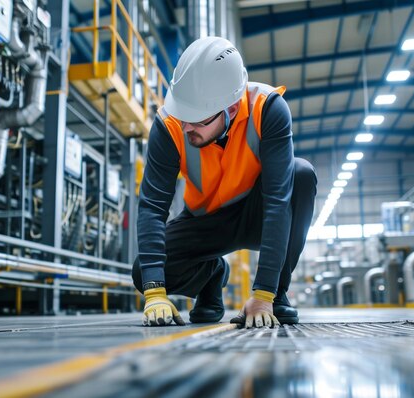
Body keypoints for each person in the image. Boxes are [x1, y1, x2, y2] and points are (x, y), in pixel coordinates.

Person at [133, 36, 317, 328]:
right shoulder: (169, 124)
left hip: (258, 211)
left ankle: (279, 293)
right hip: (205, 220)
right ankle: (211, 275)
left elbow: (279, 200)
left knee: (302, 175)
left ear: (230, 109)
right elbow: (152, 207)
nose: (186, 127)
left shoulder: (267, 109)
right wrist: (155, 291)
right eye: (183, 116)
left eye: (198, 120)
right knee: (144, 272)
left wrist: (264, 293)